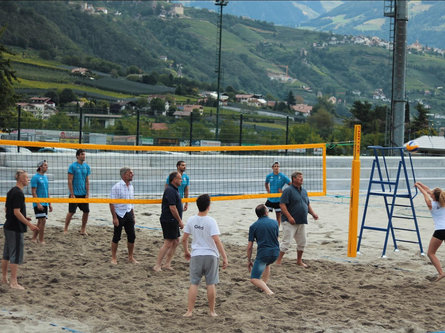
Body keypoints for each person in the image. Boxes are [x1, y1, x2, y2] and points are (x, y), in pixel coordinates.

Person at [182, 194, 228, 317]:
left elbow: (184, 239)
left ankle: (189, 311)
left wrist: (186, 251)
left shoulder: (191, 219)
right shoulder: (211, 221)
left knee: (194, 283)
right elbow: (217, 241)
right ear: (208, 206)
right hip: (211, 255)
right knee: (210, 283)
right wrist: (224, 257)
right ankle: (212, 311)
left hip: (196, 255)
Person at [2, 170, 39, 290]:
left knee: (7, 254)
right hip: (15, 228)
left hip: (8, 226)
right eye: (27, 178)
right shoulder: (18, 193)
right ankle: (13, 282)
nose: (28, 180)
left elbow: (7, 209)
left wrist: (23, 216)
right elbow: (16, 212)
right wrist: (30, 225)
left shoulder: (11, 191)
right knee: (15, 254)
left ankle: (3, 278)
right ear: (21, 179)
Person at [276, 171, 318, 267]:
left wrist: (313, 214)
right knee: (286, 242)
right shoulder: (288, 190)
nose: (301, 179)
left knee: (302, 242)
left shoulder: (304, 191)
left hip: (301, 221)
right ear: (294, 179)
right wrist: (289, 217)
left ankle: (299, 261)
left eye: (302, 177)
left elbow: (307, 204)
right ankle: (278, 261)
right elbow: (282, 205)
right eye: (299, 177)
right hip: (289, 222)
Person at [153, 172, 184, 272]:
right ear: (174, 180)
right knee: (168, 243)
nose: (181, 180)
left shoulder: (175, 190)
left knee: (175, 241)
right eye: (179, 178)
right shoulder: (170, 190)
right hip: (169, 220)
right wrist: (180, 221)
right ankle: (157, 265)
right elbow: (172, 208)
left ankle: (167, 264)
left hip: (172, 220)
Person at [415, 182, 445, 282]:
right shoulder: (443, 201)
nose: (430, 194)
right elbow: (428, 191)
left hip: (440, 231)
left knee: (431, 253)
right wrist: (420, 184)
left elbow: (425, 193)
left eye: (432, 194)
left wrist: (418, 187)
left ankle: (441, 273)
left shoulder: (431, 204)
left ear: (434, 197)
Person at [247, 204, 280, 295]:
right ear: (266, 212)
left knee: (254, 279)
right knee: (267, 264)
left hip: (264, 254)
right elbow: (277, 238)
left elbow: (250, 246)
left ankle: (268, 291)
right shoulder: (275, 222)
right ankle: (264, 285)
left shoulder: (253, 226)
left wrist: (249, 260)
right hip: (276, 252)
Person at [110, 167, 138, 265]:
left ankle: (130, 257)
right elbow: (111, 203)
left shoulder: (131, 186)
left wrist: (133, 216)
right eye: (130, 173)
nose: (132, 174)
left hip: (128, 212)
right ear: (124, 175)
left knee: (132, 236)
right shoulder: (116, 187)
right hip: (119, 214)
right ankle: (113, 258)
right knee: (116, 237)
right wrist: (114, 217)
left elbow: (131, 202)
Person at [64, 149, 91, 235]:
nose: (84, 156)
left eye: (84, 154)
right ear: (77, 156)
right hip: (74, 194)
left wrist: (87, 193)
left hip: (83, 194)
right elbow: (70, 181)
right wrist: (72, 193)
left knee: (86, 212)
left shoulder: (86, 166)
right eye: (82, 154)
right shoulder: (72, 166)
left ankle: (83, 229)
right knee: (71, 212)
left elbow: (87, 181)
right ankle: (65, 229)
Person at [31, 160, 52, 244]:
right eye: (45, 165)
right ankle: (41, 240)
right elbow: (33, 192)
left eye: (47, 165)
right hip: (38, 203)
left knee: (41, 221)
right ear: (40, 167)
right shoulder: (35, 177)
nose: (46, 167)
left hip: (45, 202)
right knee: (42, 220)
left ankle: (34, 238)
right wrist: (38, 203)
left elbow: (47, 191)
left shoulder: (45, 177)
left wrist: (50, 203)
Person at [264, 161, 291, 226]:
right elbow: (266, 183)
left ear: (279, 167)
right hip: (270, 198)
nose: (276, 168)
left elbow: (291, 185)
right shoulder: (269, 176)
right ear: (272, 167)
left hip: (278, 199)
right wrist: (268, 190)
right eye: (275, 166)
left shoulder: (282, 176)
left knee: (278, 216)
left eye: (277, 166)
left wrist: (283, 192)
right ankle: (266, 225)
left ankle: (277, 229)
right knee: (264, 213)